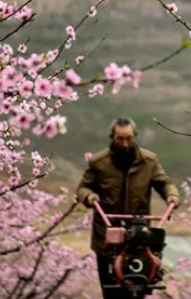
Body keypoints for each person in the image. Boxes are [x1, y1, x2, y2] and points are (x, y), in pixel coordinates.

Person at [76, 117, 180, 299]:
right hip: (107, 238)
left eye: (129, 138)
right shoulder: (98, 162)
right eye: (120, 138)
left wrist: (172, 195)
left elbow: (164, 183)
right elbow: (83, 187)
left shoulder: (149, 161)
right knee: (111, 291)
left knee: (140, 287)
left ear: (135, 136)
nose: (125, 143)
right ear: (112, 137)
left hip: (139, 237)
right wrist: (89, 196)